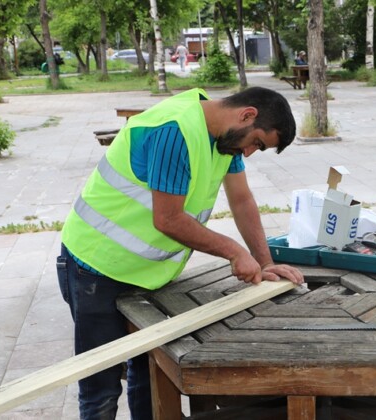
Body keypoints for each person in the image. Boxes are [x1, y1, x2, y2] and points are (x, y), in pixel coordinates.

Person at [57, 86, 305, 419]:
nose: (249, 153)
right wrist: (233, 251)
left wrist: (265, 262)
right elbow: (168, 219)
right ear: (247, 115)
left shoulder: (224, 140)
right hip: (95, 267)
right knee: (101, 389)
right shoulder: (175, 130)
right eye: (257, 143)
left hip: (147, 273)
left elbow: (242, 200)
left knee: (150, 376)